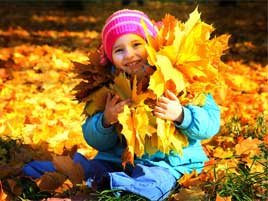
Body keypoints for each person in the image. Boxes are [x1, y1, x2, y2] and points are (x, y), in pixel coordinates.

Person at [23, 9, 221, 201]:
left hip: (167, 165)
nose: (129, 54)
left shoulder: (180, 77)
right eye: (119, 50)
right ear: (110, 57)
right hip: (115, 163)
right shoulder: (108, 86)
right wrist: (106, 121)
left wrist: (181, 115)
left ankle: (106, 188)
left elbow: (210, 124)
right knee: (78, 168)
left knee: (154, 182)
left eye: (137, 44)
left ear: (153, 43)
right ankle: (37, 176)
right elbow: (94, 139)